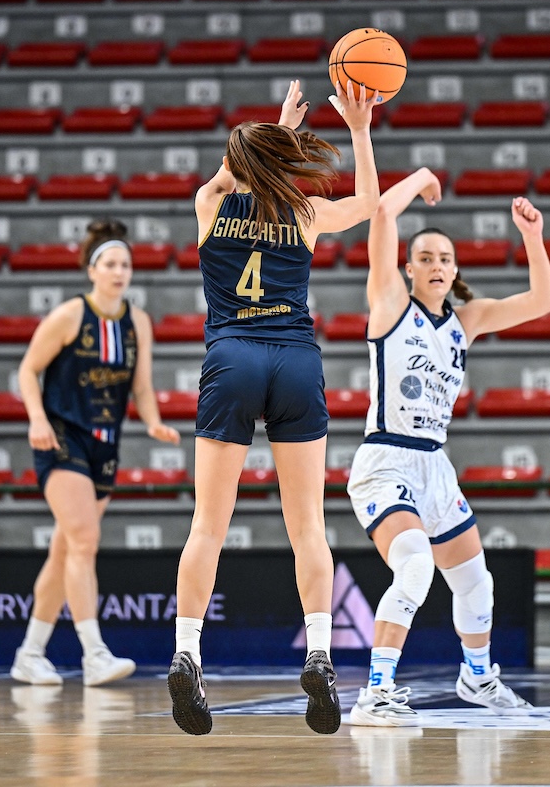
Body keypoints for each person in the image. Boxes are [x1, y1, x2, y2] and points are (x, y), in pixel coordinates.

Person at [168, 78, 379, 736]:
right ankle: (319, 650)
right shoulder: (306, 212)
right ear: (280, 164)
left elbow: (237, 170)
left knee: (208, 525)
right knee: (307, 526)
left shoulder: (209, 202)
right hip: (292, 357)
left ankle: (186, 651)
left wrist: (275, 132)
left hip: (231, 357)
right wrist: (360, 129)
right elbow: (370, 202)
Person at [344, 168, 550, 727]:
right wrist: (423, 178)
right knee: (414, 568)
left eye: (445, 258)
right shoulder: (389, 304)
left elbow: (542, 301)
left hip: (435, 464)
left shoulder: (467, 320)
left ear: (455, 270)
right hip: (386, 459)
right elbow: (383, 214)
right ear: (408, 269)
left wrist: (532, 237)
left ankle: (478, 677)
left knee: (475, 581)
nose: (437, 265)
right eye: (426, 257)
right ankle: (375, 692)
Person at [10, 219, 180, 687]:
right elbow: (28, 370)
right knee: (84, 541)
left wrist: (153, 422)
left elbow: (141, 386)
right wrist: (37, 420)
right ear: (92, 269)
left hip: (105, 445)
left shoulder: (137, 322)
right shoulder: (69, 316)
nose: (119, 271)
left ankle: (29, 653)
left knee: (65, 548)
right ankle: (94, 654)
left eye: (125, 264)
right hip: (62, 438)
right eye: (110, 263)